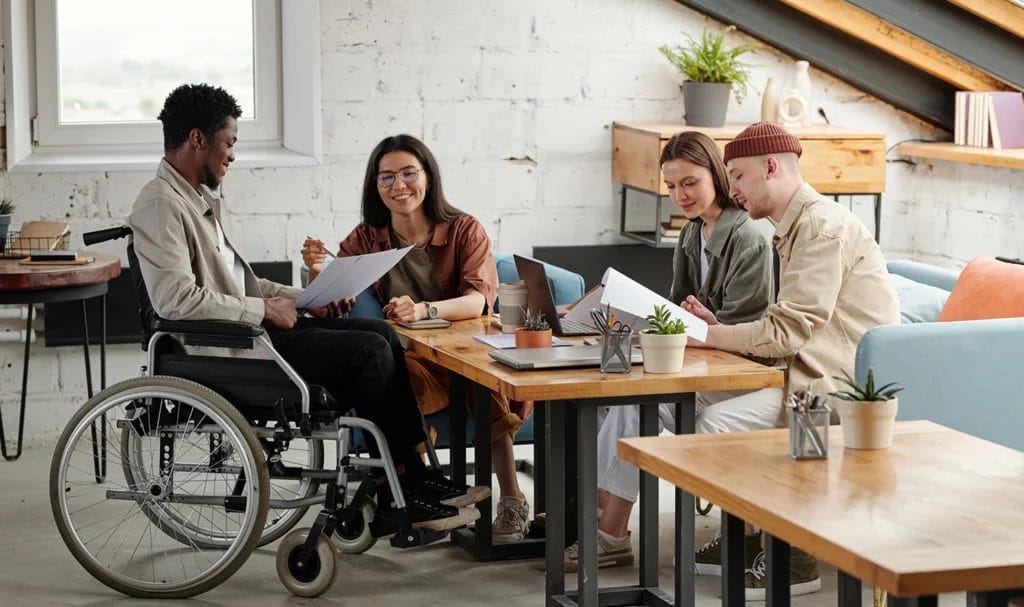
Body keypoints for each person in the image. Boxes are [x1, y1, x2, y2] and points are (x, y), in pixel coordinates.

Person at [127, 83, 482, 535]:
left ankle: (413, 476)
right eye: (230, 142)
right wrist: (264, 311)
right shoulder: (161, 204)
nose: (232, 155)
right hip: (224, 350)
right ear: (198, 139)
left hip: (251, 333)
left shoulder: (198, 201)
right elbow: (175, 300)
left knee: (380, 333)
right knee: (369, 352)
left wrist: (306, 297)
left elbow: (242, 285)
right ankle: (404, 486)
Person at [686, 121, 900, 599]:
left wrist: (711, 334)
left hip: (835, 388)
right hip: (803, 373)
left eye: (737, 176)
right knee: (697, 394)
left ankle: (794, 556)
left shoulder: (822, 229)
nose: (732, 189)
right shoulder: (795, 227)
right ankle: (746, 535)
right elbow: (790, 327)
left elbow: (789, 328)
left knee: (716, 424)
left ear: (770, 167)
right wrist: (713, 330)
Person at [302, 134, 533, 543]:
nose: (399, 186)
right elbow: (328, 308)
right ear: (375, 186)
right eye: (387, 177)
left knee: (488, 391)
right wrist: (319, 272)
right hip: (417, 354)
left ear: (428, 176)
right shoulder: (366, 237)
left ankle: (512, 501)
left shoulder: (464, 229)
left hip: (469, 349)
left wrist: (424, 310)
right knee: (396, 387)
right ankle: (428, 501)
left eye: (409, 173)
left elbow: (479, 301)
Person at [563, 131, 776, 572]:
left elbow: (747, 336)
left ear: (716, 175)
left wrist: (694, 321)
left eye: (690, 183)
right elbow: (674, 312)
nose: (680, 195)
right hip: (701, 369)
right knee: (621, 397)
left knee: (633, 399)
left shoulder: (750, 236)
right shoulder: (691, 234)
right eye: (672, 187)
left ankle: (607, 527)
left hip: (743, 378)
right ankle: (607, 523)